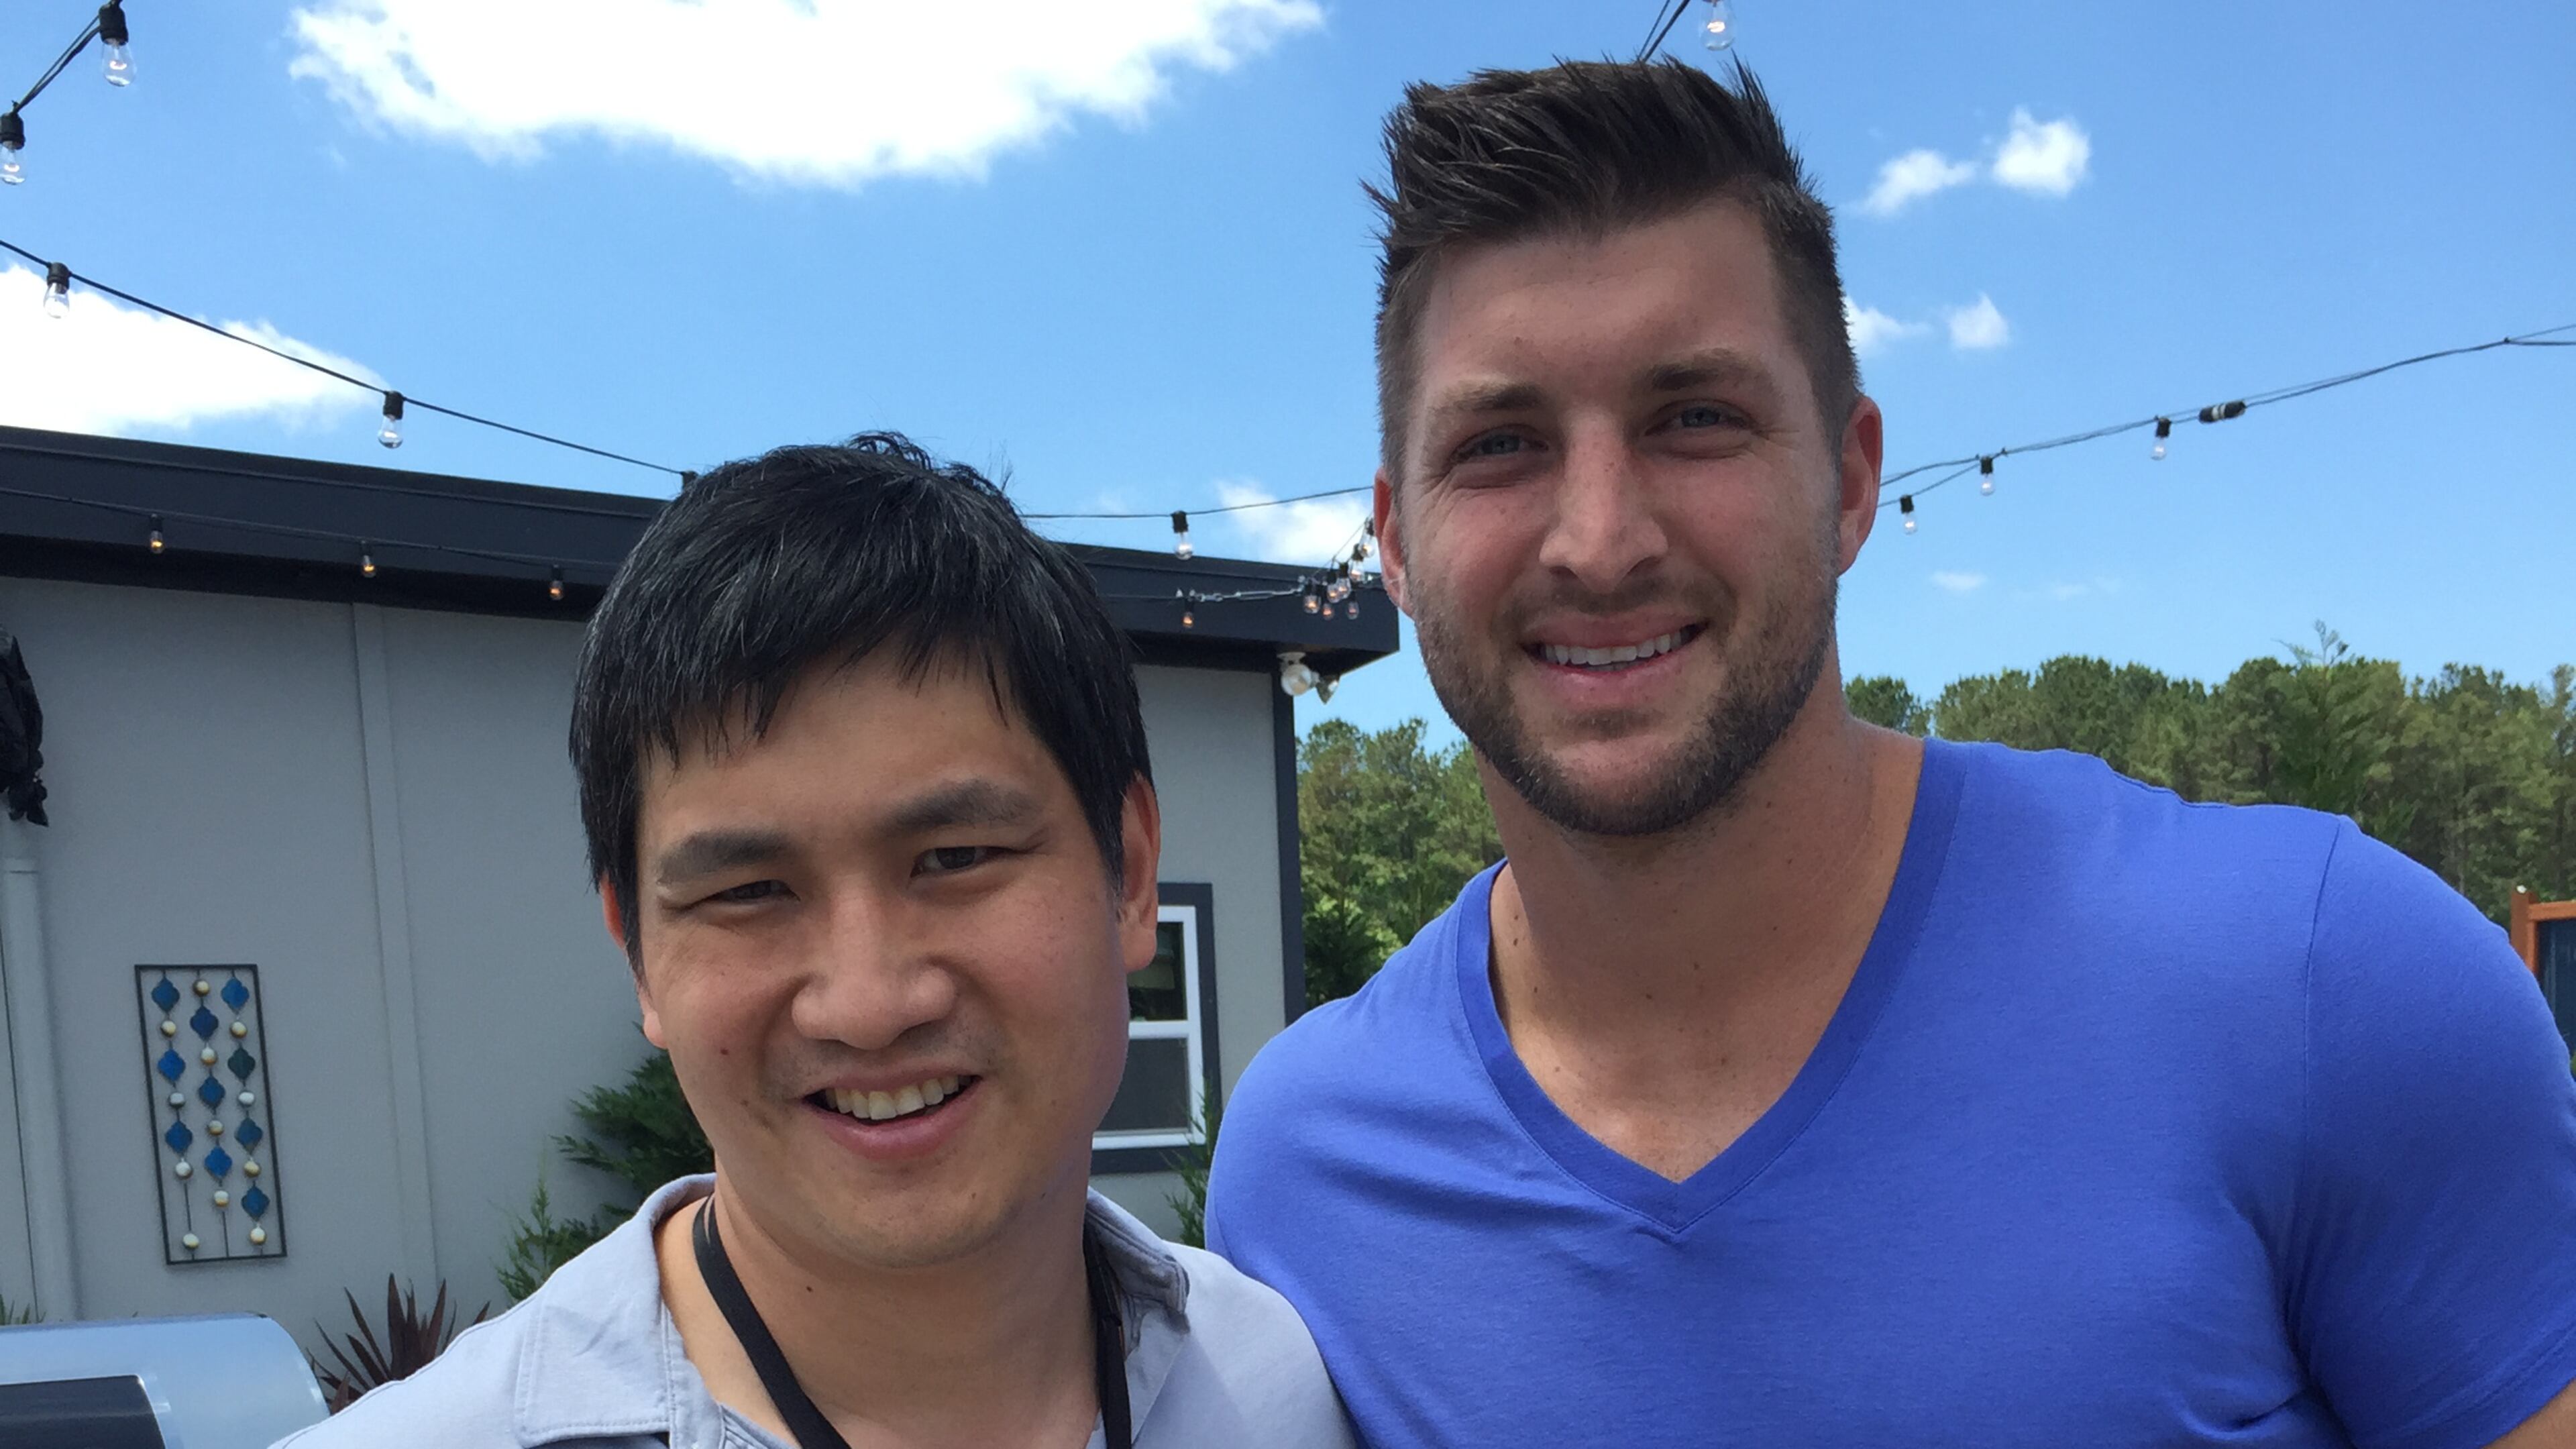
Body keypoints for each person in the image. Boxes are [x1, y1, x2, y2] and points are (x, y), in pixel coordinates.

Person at [1207, 59, 2576, 1448]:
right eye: (1500, 444)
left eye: (1696, 419)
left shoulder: (2322, 985)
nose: (1600, 538)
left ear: (1851, 481)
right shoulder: (1310, 1177)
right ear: (1396, 539)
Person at [283, 435, 1350, 1449]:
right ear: (638, 954)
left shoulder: (1277, 1382)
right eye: (750, 890)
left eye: (956, 857)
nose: (869, 1002)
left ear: (1129, 871)